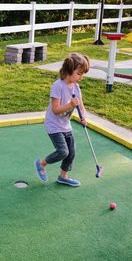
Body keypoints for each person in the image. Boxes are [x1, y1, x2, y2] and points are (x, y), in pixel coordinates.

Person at [35, 53, 90, 187]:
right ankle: (41, 163)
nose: (81, 77)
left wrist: (84, 117)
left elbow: (81, 106)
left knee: (71, 152)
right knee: (63, 151)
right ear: (69, 70)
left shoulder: (76, 87)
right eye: (79, 73)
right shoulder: (58, 86)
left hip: (65, 125)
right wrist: (70, 105)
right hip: (53, 125)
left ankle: (63, 176)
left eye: (82, 74)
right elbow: (56, 109)